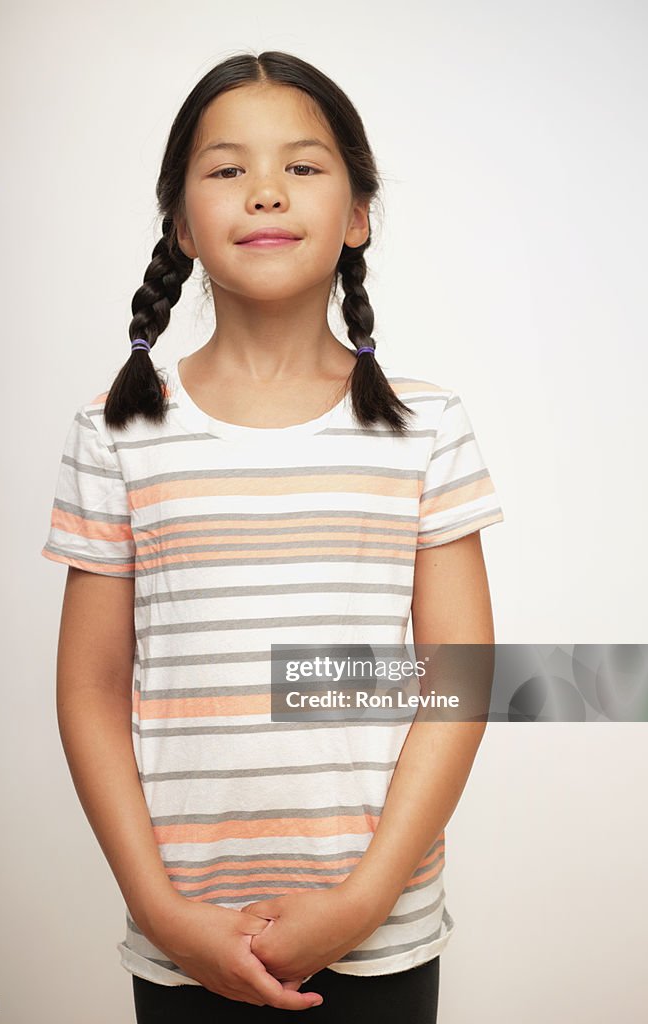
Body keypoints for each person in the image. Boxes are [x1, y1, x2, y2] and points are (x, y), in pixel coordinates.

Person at [41, 50, 504, 1023]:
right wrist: (160, 911)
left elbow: (455, 674)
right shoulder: (116, 432)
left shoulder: (426, 426)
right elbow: (89, 686)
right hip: (185, 939)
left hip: (381, 934)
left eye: (300, 166)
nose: (262, 191)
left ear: (358, 214)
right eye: (225, 170)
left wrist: (364, 899)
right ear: (180, 223)